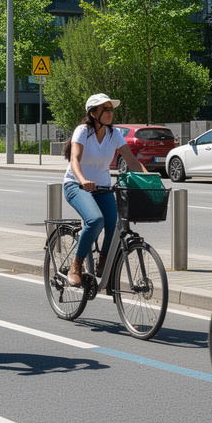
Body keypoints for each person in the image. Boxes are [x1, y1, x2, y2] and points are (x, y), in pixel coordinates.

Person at [61, 93, 147, 287]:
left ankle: (103, 262)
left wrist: (151, 180)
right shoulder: (83, 131)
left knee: (113, 224)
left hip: (102, 187)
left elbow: (132, 161)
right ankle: (77, 265)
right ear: (93, 113)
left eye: (111, 109)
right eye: (105, 109)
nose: (110, 113)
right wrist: (82, 180)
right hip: (76, 185)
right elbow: (74, 159)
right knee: (95, 220)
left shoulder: (114, 133)